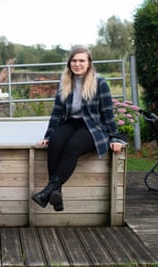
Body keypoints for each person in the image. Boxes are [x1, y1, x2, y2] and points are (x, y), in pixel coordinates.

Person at [32, 47, 125, 212]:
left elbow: (107, 113)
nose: (77, 64)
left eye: (82, 60)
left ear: (89, 63)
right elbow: (57, 112)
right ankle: (56, 193)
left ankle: (48, 191)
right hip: (71, 122)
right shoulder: (65, 82)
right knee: (55, 143)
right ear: (69, 63)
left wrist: (115, 137)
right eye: (74, 60)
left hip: (92, 126)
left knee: (72, 147)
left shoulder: (100, 83)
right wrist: (48, 135)